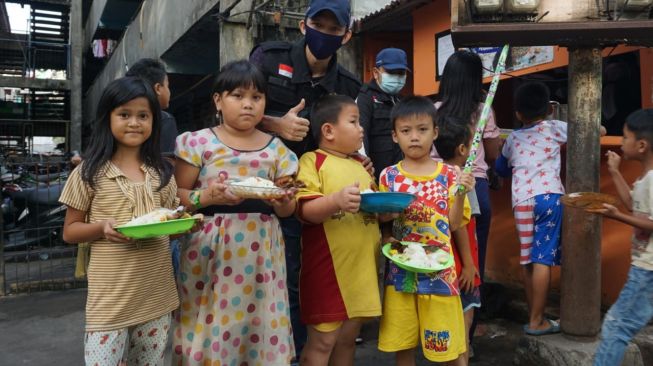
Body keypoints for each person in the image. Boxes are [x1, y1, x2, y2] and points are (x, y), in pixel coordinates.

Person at [249, 0, 362, 357]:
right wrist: (275, 123)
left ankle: (293, 353)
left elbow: (342, 139)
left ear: (346, 35)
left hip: (311, 198)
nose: (324, 35)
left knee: (297, 280)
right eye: (319, 25)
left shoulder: (347, 83)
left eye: (334, 29)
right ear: (303, 26)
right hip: (257, 191)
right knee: (255, 277)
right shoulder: (267, 58)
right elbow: (231, 109)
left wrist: (360, 162)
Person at [172, 60, 298, 365]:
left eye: (256, 98)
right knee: (209, 322)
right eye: (238, 96)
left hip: (261, 251)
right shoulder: (197, 142)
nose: (248, 105)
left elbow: (288, 208)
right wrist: (206, 195)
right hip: (209, 248)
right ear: (218, 100)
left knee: (259, 322)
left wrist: (283, 200)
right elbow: (177, 196)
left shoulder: (278, 149)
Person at [59, 76, 179, 365]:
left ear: (154, 122)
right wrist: (101, 228)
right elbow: (70, 231)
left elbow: (171, 224)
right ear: (107, 118)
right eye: (124, 114)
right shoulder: (89, 172)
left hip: (156, 296)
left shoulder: (161, 173)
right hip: (109, 303)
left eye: (143, 116)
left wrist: (184, 225)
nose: (134, 123)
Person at [378, 96, 474, 365]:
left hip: (440, 270)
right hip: (400, 271)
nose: (414, 137)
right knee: (403, 344)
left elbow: (455, 224)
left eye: (422, 129)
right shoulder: (389, 176)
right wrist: (386, 229)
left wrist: (460, 194)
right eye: (406, 131)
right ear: (395, 136)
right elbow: (383, 219)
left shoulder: (451, 175)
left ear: (435, 132)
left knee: (445, 348)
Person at [295, 94, 381, 366]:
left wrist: (387, 209)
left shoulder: (361, 165)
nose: (361, 128)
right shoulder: (312, 161)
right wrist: (335, 201)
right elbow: (304, 210)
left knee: (347, 339)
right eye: (354, 121)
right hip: (328, 270)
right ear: (328, 131)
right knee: (322, 343)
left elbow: (374, 204)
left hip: (362, 268)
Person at [495, 82, 566, 336]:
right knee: (543, 259)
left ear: (518, 114)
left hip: (523, 201)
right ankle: (538, 321)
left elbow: (501, 168)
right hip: (550, 198)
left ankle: (533, 316)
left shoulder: (512, 138)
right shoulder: (556, 128)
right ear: (549, 109)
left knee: (528, 259)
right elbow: (597, 130)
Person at [592, 109, 653, 366]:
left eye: (625, 137)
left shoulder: (652, 179)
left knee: (617, 326)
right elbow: (631, 204)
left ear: (641, 145)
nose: (621, 142)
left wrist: (616, 216)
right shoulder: (644, 178)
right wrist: (615, 171)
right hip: (644, 266)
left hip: (647, 268)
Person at [435, 116, 482, 363]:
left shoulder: (439, 175)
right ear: (463, 149)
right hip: (462, 267)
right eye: (473, 143)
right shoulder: (462, 179)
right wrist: (470, 265)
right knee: (463, 329)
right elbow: (461, 226)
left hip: (447, 267)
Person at [357, 47, 409, 180]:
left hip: (402, 176)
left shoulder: (402, 101)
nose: (397, 78)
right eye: (391, 72)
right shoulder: (365, 98)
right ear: (376, 72)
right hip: (376, 175)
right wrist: (365, 170)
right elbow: (360, 136)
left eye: (401, 73)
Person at [125, 58, 178, 157]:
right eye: (167, 86)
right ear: (158, 88)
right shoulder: (164, 119)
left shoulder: (115, 117)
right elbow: (165, 163)